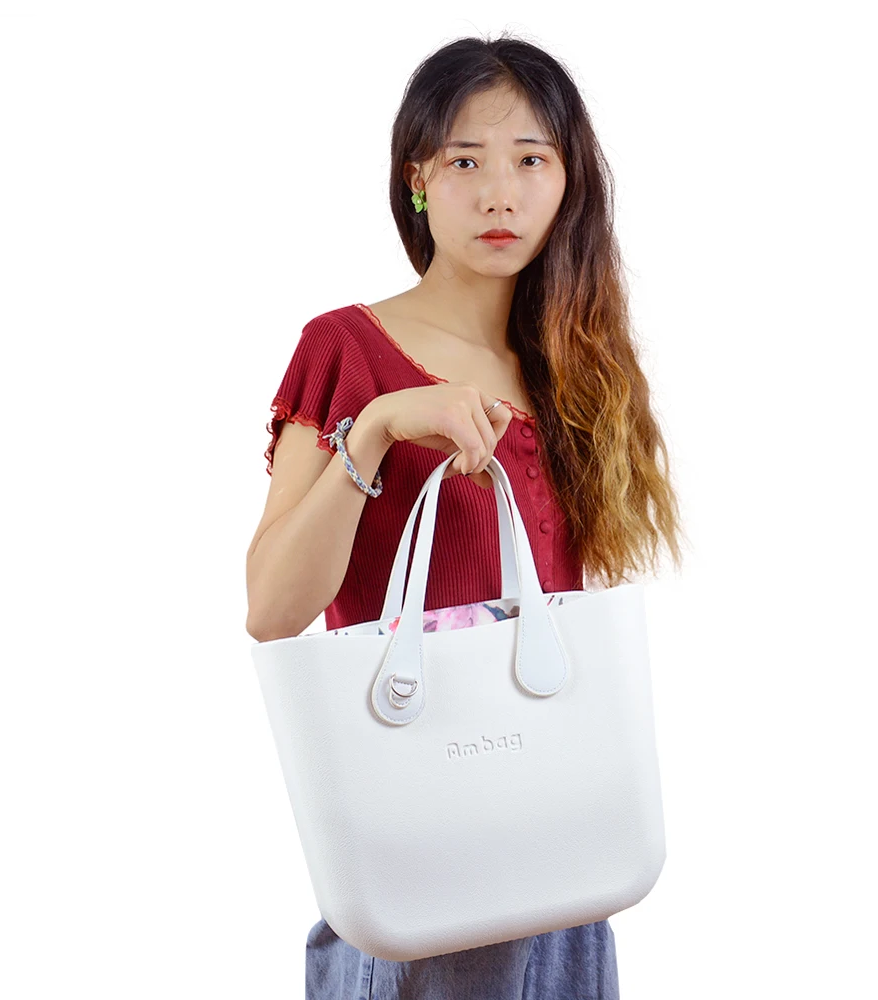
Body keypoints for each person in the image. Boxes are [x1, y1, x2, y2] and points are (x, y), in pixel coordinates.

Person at [245, 32, 684, 1000]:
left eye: (531, 160)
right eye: (465, 162)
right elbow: (273, 609)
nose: (499, 196)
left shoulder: (580, 368)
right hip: (421, 843)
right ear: (417, 181)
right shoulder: (346, 348)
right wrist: (377, 429)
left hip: (562, 851)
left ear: (569, 181)